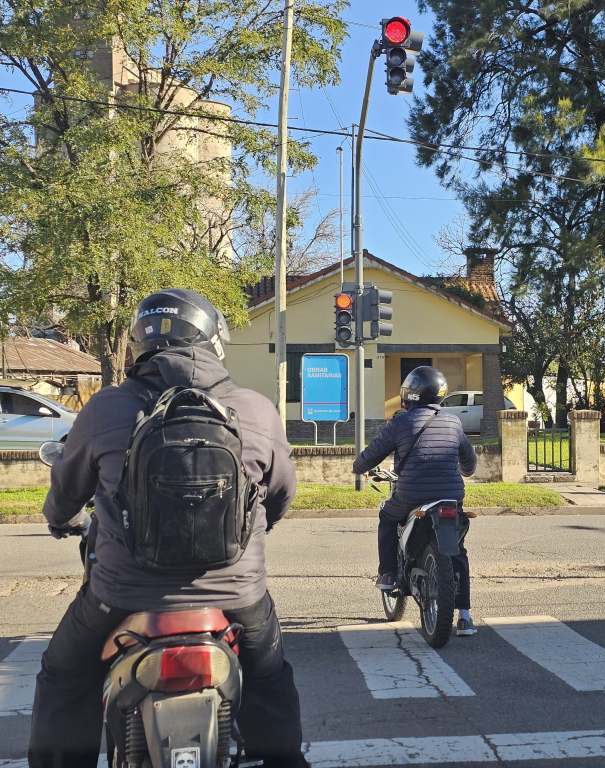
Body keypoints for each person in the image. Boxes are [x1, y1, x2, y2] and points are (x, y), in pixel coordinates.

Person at [29, 289, 307, 768]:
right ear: (213, 340)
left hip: (121, 591)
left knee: (63, 672)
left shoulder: (106, 408)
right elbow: (281, 495)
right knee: (270, 676)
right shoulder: (256, 409)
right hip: (236, 593)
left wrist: (59, 519)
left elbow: (67, 492)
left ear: (141, 343)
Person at [353, 365, 479, 636]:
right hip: (451, 496)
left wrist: (358, 466)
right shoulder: (454, 422)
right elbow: (469, 462)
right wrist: (465, 471)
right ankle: (466, 617)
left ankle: (387, 574)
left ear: (411, 393)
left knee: (387, 517)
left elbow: (373, 453)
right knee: (459, 550)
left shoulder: (401, 422)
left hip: (411, 495)